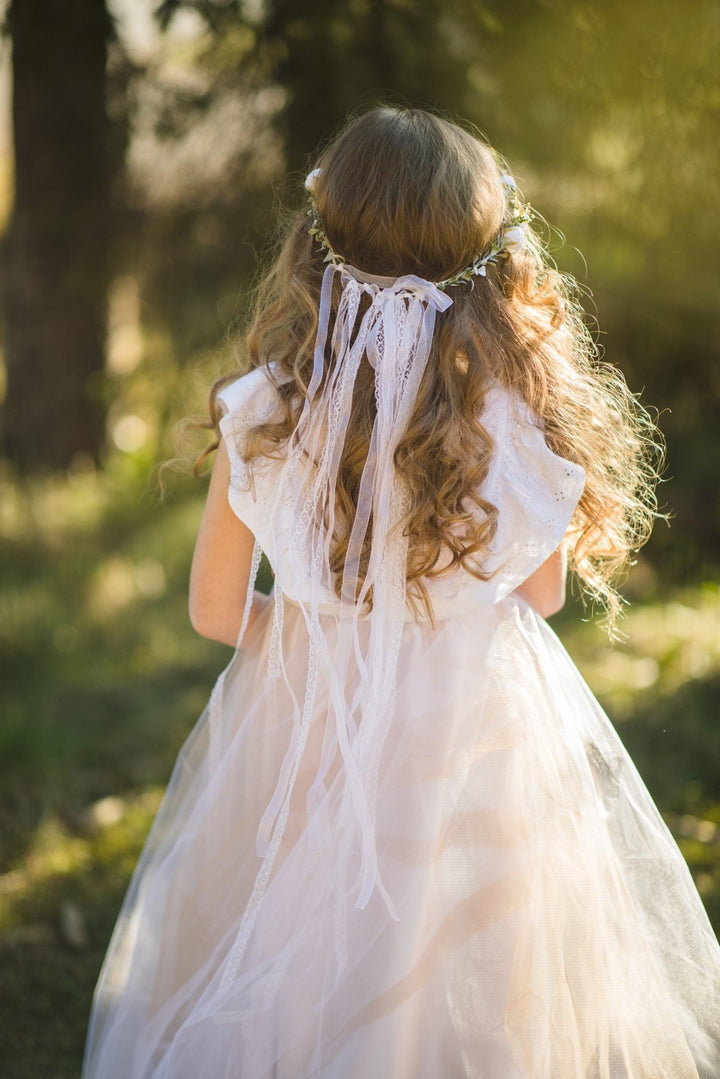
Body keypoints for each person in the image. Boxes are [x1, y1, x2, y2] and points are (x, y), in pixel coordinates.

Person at [82, 107, 720, 1079]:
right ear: (494, 259)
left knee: (303, 941)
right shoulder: (524, 421)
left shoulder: (261, 414)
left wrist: (318, 637)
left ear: (318, 247)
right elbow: (539, 599)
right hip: (481, 738)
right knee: (485, 951)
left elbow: (216, 612)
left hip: (305, 730)